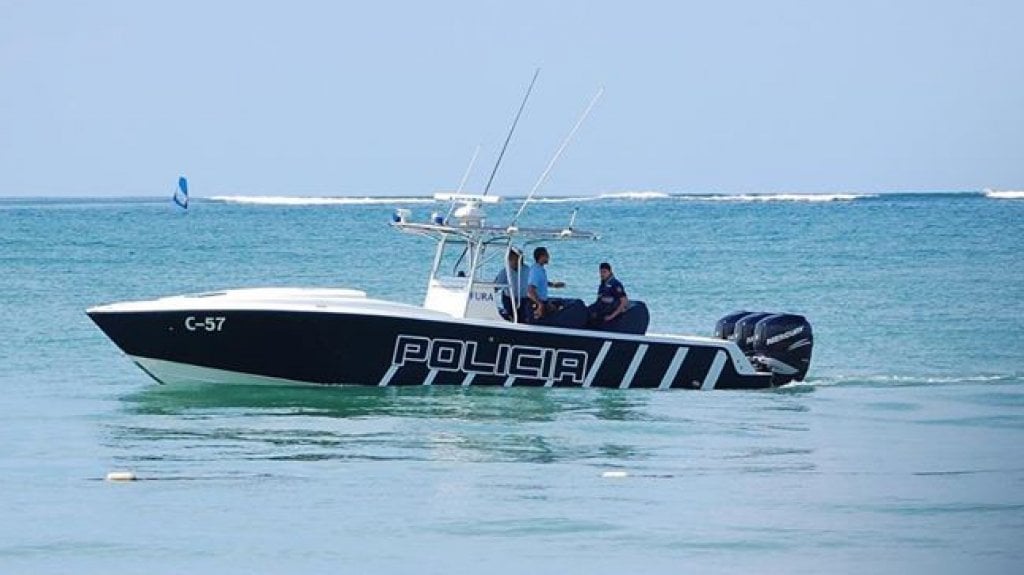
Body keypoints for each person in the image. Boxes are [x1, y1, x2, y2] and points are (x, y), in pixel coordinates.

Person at [527, 246, 566, 321]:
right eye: (547, 255)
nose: (549, 257)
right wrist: (540, 304)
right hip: (536, 303)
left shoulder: (540, 269)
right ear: (542, 256)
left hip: (543, 301)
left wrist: (554, 285)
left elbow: (540, 282)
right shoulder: (536, 271)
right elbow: (530, 290)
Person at [493, 247, 530, 321]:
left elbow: (535, 282)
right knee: (511, 316)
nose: (518, 261)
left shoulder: (528, 270)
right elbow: (496, 287)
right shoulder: (505, 271)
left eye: (520, 259)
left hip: (524, 299)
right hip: (509, 298)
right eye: (514, 259)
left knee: (524, 318)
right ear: (509, 260)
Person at [588, 262, 629, 326]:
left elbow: (624, 302)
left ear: (610, 272)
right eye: (601, 272)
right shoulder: (602, 285)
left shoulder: (615, 284)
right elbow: (598, 301)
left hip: (610, 312)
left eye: (604, 272)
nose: (602, 274)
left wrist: (611, 316)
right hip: (601, 309)